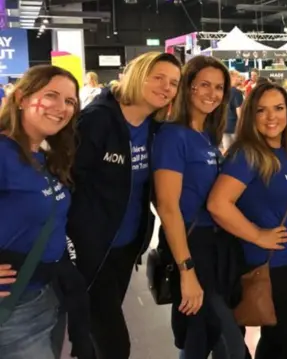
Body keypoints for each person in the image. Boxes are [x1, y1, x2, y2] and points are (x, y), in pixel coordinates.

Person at [67, 52, 181, 359]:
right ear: (137, 74)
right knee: (114, 345)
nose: (166, 87)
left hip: (125, 246)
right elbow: (67, 181)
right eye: (158, 77)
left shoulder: (152, 126)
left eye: (173, 82)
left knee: (96, 334)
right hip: (92, 250)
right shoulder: (98, 119)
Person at [208, 82, 287, 359]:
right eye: (261, 110)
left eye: (279, 108)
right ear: (250, 115)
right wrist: (258, 235)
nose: (272, 117)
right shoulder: (247, 154)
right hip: (268, 264)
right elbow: (218, 204)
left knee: (283, 340)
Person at [153, 55, 245, 359]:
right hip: (192, 247)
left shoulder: (206, 136)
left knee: (201, 338)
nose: (212, 93)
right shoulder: (172, 136)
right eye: (204, 84)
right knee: (230, 343)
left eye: (219, 87)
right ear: (187, 86)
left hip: (217, 246)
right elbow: (167, 207)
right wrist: (186, 270)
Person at [0, 65, 89, 358]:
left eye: (70, 101)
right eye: (51, 95)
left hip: (48, 293)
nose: (61, 107)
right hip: (14, 306)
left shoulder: (43, 156)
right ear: (22, 98)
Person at [223, 70, 244, 152]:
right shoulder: (237, 93)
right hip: (234, 127)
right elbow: (239, 112)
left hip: (223, 126)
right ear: (232, 78)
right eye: (238, 76)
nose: (240, 78)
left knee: (227, 151)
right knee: (238, 152)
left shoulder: (223, 91)